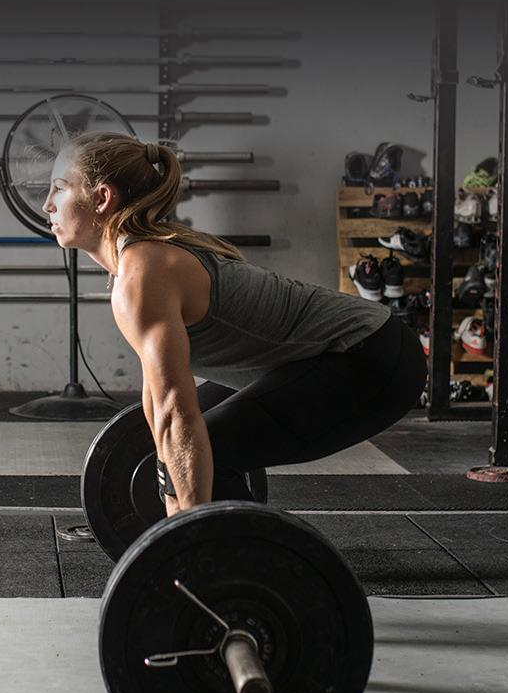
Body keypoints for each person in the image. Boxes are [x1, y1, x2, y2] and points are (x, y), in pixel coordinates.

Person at [42, 133, 427, 517]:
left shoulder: (143, 273)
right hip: (329, 355)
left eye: (59, 188)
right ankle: (223, 538)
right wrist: (172, 498)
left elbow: (176, 414)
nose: (47, 205)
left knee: (204, 448)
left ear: (102, 198)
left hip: (371, 359)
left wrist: (186, 529)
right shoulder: (140, 262)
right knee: (171, 444)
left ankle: (244, 552)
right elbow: (159, 406)